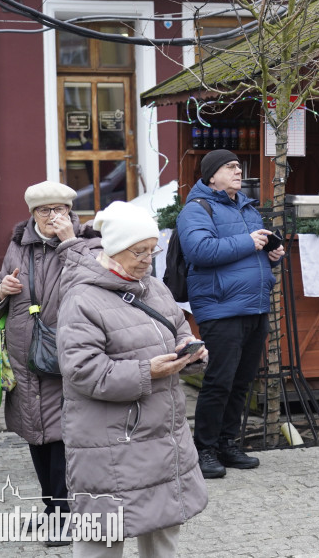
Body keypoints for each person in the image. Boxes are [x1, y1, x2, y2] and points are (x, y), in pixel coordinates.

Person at [57, 201, 208, 556]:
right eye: (138, 251)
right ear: (113, 250)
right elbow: (82, 370)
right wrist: (147, 371)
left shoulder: (155, 288)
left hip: (162, 440)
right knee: (103, 537)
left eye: (152, 249)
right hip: (111, 443)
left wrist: (190, 351)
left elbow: (178, 329)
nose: (147, 259)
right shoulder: (82, 299)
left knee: (163, 532)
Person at [0, 181, 100, 547]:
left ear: (71, 210)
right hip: (25, 358)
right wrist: (0, 291)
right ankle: (51, 511)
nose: (53, 217)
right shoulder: (18, 245)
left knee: (62, 440)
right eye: (45, 211)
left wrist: (69, 241)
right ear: (32, 214)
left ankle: (68, 518)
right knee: (36, 437)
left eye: (60, 210)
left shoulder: (88, 240)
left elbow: (94, 281)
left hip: (65, 355)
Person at [178, 148, 285, 479]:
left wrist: (272, 254)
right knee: (219, 381)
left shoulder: (247, 208)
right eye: (231, 167)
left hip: (254, 305)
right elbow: (200, 250)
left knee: (241, 382)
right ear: (212, 176)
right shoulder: (197, 209)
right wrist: (249, 243)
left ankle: (227, 443)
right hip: (221, 307)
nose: (239, 171)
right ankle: (204, 448)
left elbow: (253, 247)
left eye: (240, 166)